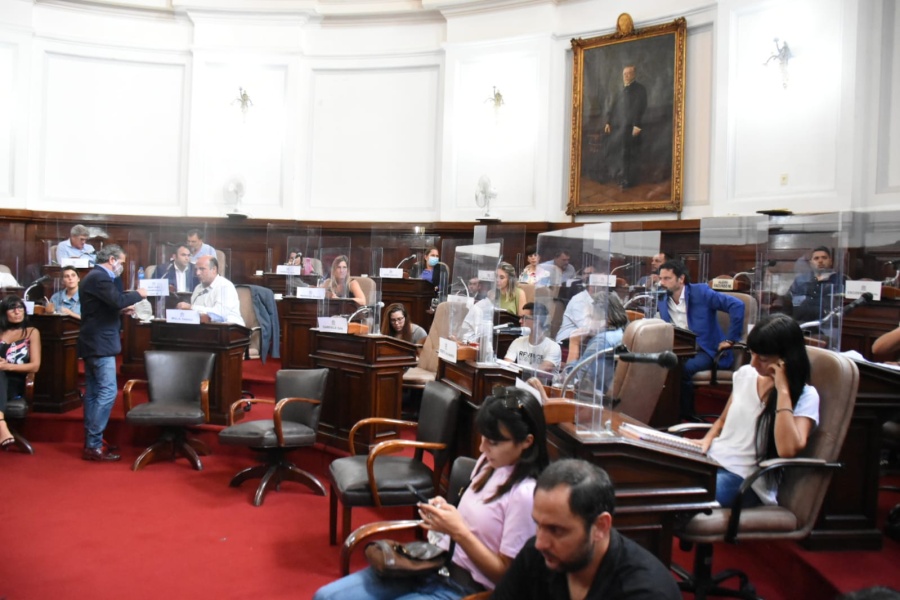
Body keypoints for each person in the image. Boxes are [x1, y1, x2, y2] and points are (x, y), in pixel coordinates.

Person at [313, 386, 550, 600]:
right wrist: (446, 513)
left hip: (465, 588)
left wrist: (457, 530)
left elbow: (506, 578)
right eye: (483, 439)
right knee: (326, 596)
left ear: (527, 441)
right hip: (433, 566)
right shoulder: (489, 464)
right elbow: (472, 520)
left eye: (494, 442)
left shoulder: (525, 494)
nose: (482, 448)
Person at [492, 459, 681, 600]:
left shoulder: (646, 593)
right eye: (538, 524)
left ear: (600, 526)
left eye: (556, 530)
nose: (540, 542)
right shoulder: (536, 555)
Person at [696, 313, 819, 508]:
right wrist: (707, 439)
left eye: (762, 358)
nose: (753, 363)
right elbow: (722, 421)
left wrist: (783, 391)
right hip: (713, 461)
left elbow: (787, 450)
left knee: (683, 497)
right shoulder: (745, 374)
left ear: (786, 358)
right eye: (751, 354)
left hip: (748, 480)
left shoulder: (805, 396)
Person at [78, 244, 147, 461]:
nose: (122, 267)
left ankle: (92, 442)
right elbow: (116, 299)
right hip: (100, 344)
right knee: (107, 392)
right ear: (112, 259)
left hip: (92, 341)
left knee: (93, 393)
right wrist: (139, 294)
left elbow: (104, 306)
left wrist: (120, 309)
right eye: (122, 263)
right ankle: (93, 443)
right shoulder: (100, 277)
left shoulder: (93, 276)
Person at [657, 260, 744, 420]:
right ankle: (663, 414)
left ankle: (686, 415)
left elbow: (737, 305)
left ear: (681, 279)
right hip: (679, 349)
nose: (662, 283)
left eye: (667, 278)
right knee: (657, 365)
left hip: (705, 350)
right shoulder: (662, 299)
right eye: (660, 279)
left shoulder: (701, 293)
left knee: (681, 370)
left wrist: (731, 339)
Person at [564, 293, 628, 394]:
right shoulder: (620, 332)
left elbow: (572, 381)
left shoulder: (602, 341)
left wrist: (574, 344)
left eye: (590, 316)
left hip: (591, 400)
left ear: (607, 318)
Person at [0, 296, 42, 449]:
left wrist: (7, 367)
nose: (17, 312)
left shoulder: (31, 332)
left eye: (20, 308)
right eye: (12, 308)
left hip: (15, 382)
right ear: (4, 313)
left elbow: (35, 366)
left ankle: (1, 426)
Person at [603, 65, 647, 189]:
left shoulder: (640, 89)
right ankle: (618, 176)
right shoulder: (620, 90)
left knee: (628, 153)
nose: (626, 76)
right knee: (617, 152)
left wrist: (637, 125)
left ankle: (627, 179)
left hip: (631, 127)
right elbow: (613, 107)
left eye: (629, 73)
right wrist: (608, 122)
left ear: (634, 74)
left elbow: (640, 107)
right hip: (618, 127)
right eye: (624, 74)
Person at [176, 255, 245, 325]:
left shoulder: (225, 286)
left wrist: (191, 307)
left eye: (202, 269)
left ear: (214, 269)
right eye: (196, 269)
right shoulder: (198, 288)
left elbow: (220, 314)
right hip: (207, 329)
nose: (197, 273)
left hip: (231, 330)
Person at [788, 246, 843, 324]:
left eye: (824, 258)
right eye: (816, 258)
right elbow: (790, 299)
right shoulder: (800, 280)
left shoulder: (841, 279)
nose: (820, 261)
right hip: (802, 321)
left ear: (830, 261)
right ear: (811, 263)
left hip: (828, 323)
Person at [503, 302, 561, 374]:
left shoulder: (553, 347)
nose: (520, 321)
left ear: (537, 320)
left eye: (524, 318)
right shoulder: (517, 341)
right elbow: (506, 366)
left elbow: (540, 373)